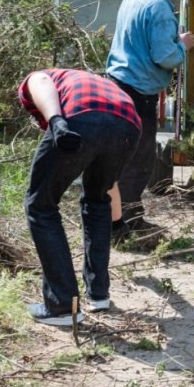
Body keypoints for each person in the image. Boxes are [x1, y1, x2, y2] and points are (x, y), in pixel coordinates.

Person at [19, 68, 141, 326]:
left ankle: (63, 306)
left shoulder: (42, 78)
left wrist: (56, 121)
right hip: (129, 125)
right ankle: (98, 294)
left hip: (81, 116)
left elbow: (39, 81)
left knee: (40, 204)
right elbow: (110, 185)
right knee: (97, 200)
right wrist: (118, 222)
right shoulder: (93, 83)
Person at [106, 0, 194, 240]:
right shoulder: (159, 9)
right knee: (139, 160)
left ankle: (110, 218)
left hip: (117, 84)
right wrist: (183, 45)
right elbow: (164, 56)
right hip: (138, 93)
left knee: (119, 157)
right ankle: (128, 224)